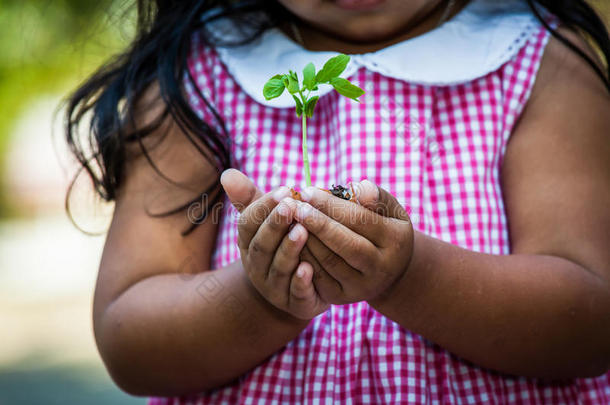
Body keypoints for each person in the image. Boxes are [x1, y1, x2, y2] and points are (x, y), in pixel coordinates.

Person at [65, 0, 610, 403]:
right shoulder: (193, 78)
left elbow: (591, 319)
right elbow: (129, 334)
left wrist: (408, 276)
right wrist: (261, 298)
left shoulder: (540, 60)